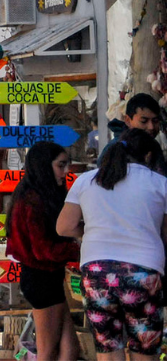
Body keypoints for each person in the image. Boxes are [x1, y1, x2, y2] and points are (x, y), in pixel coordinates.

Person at [57, 129, 167, 361]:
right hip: (143, 271)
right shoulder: (160, 183)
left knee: (107, 350)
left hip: (96, 272)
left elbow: (64, 227)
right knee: (144, 350)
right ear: (148, 156)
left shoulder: (86, 180)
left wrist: (88, 233)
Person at [5, 142, 80, 361]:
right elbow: (42, 250)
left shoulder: (35, 194)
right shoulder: (32, 200)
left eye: (67, 164)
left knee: (70, 348)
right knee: (47, 352)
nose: (66, 171)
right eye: (61, 165)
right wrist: (78, 249)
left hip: (47, 279)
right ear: (43, 166)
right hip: (40, 279)